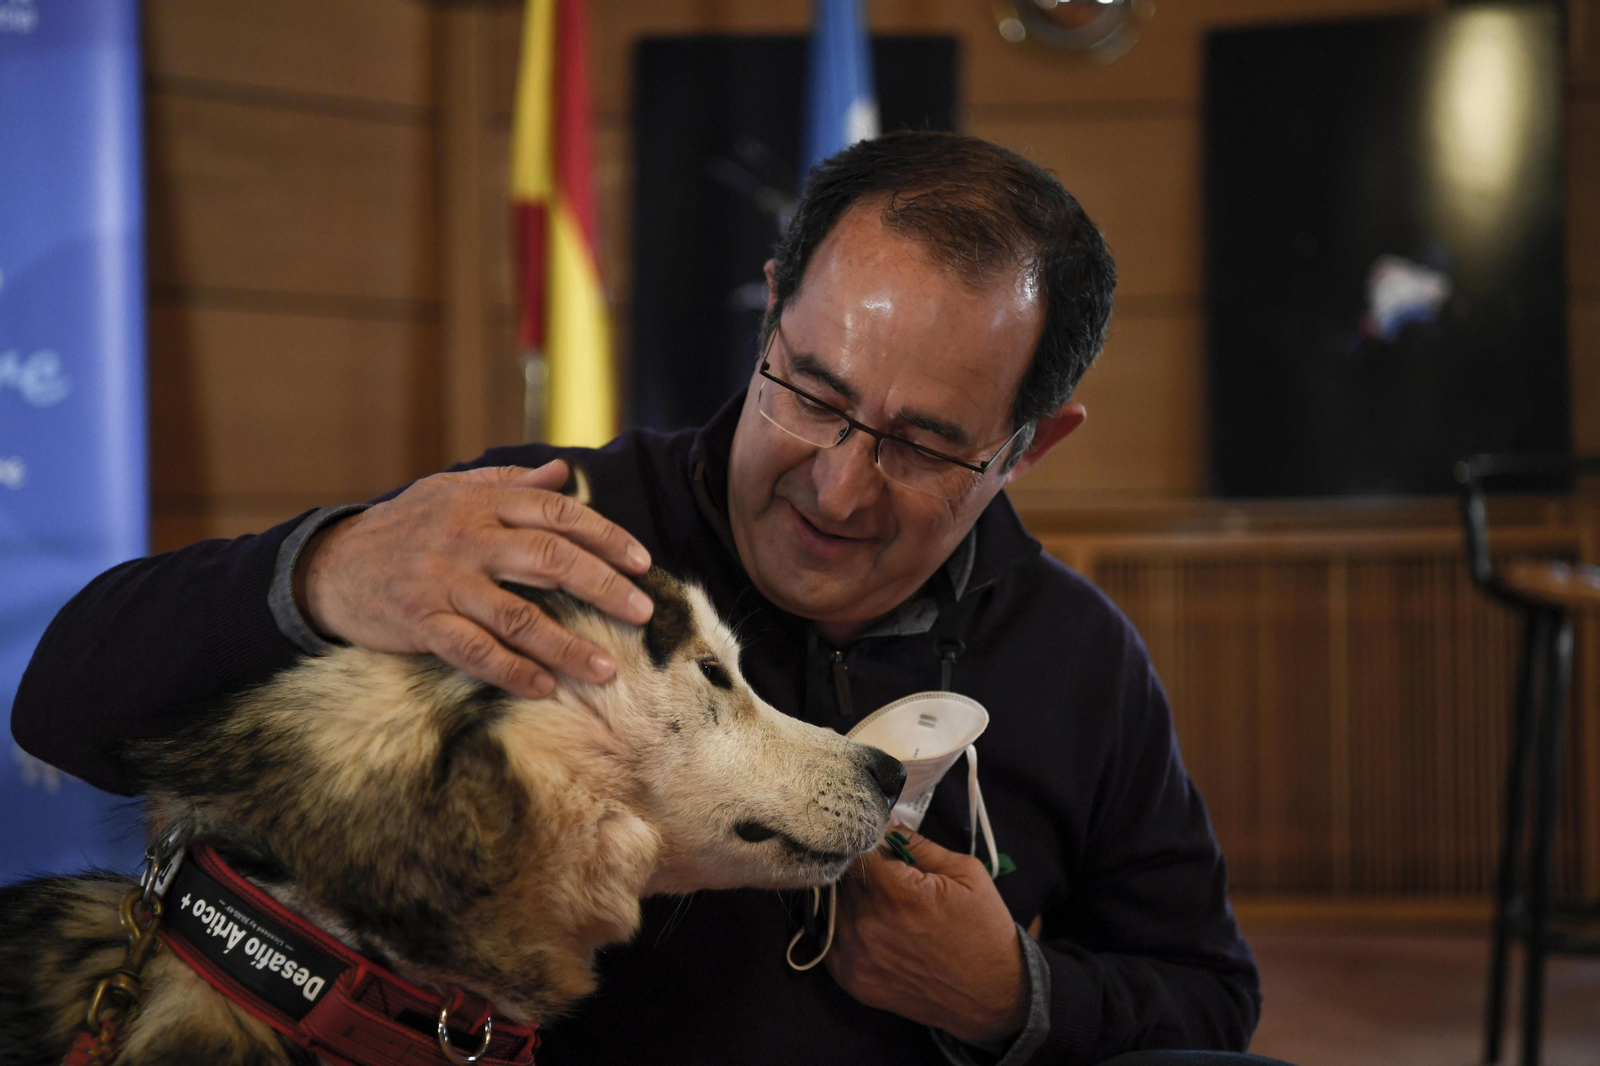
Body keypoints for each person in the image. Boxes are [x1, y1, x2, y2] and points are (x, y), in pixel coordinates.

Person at [12, 132, 1261, 1065]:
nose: (838, 485)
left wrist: (1013, 996)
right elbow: (63, 703)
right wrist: (326, 570)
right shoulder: (544, 528)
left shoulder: (1077, 655)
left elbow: (1205, 990)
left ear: (1030, 447)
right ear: (771, 307)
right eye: (812, 392)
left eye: (926, 444)